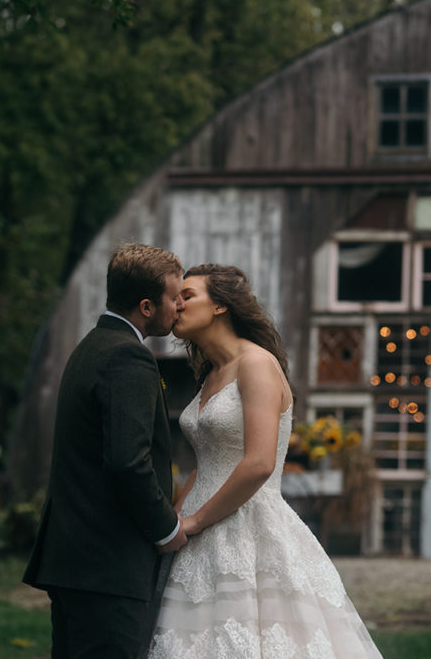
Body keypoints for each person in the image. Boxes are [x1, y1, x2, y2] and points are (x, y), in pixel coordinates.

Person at [149, 264, 382, 658]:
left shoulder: (256, 364)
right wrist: (173, 520)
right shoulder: (210, 375)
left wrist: (195, 520)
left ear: (221, 306)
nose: (176, 304)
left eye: (187, 295)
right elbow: (204, 463)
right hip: (195, 529)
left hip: (245, 524)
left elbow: (259, 463)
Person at [24, 243, 189, 659]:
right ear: (147, 306)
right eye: (174, 298)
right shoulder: (127, 358)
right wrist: (166, 529)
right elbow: (127, 463)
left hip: (78, 562)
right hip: (107, 567)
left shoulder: (92, 347)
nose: (179, 307)